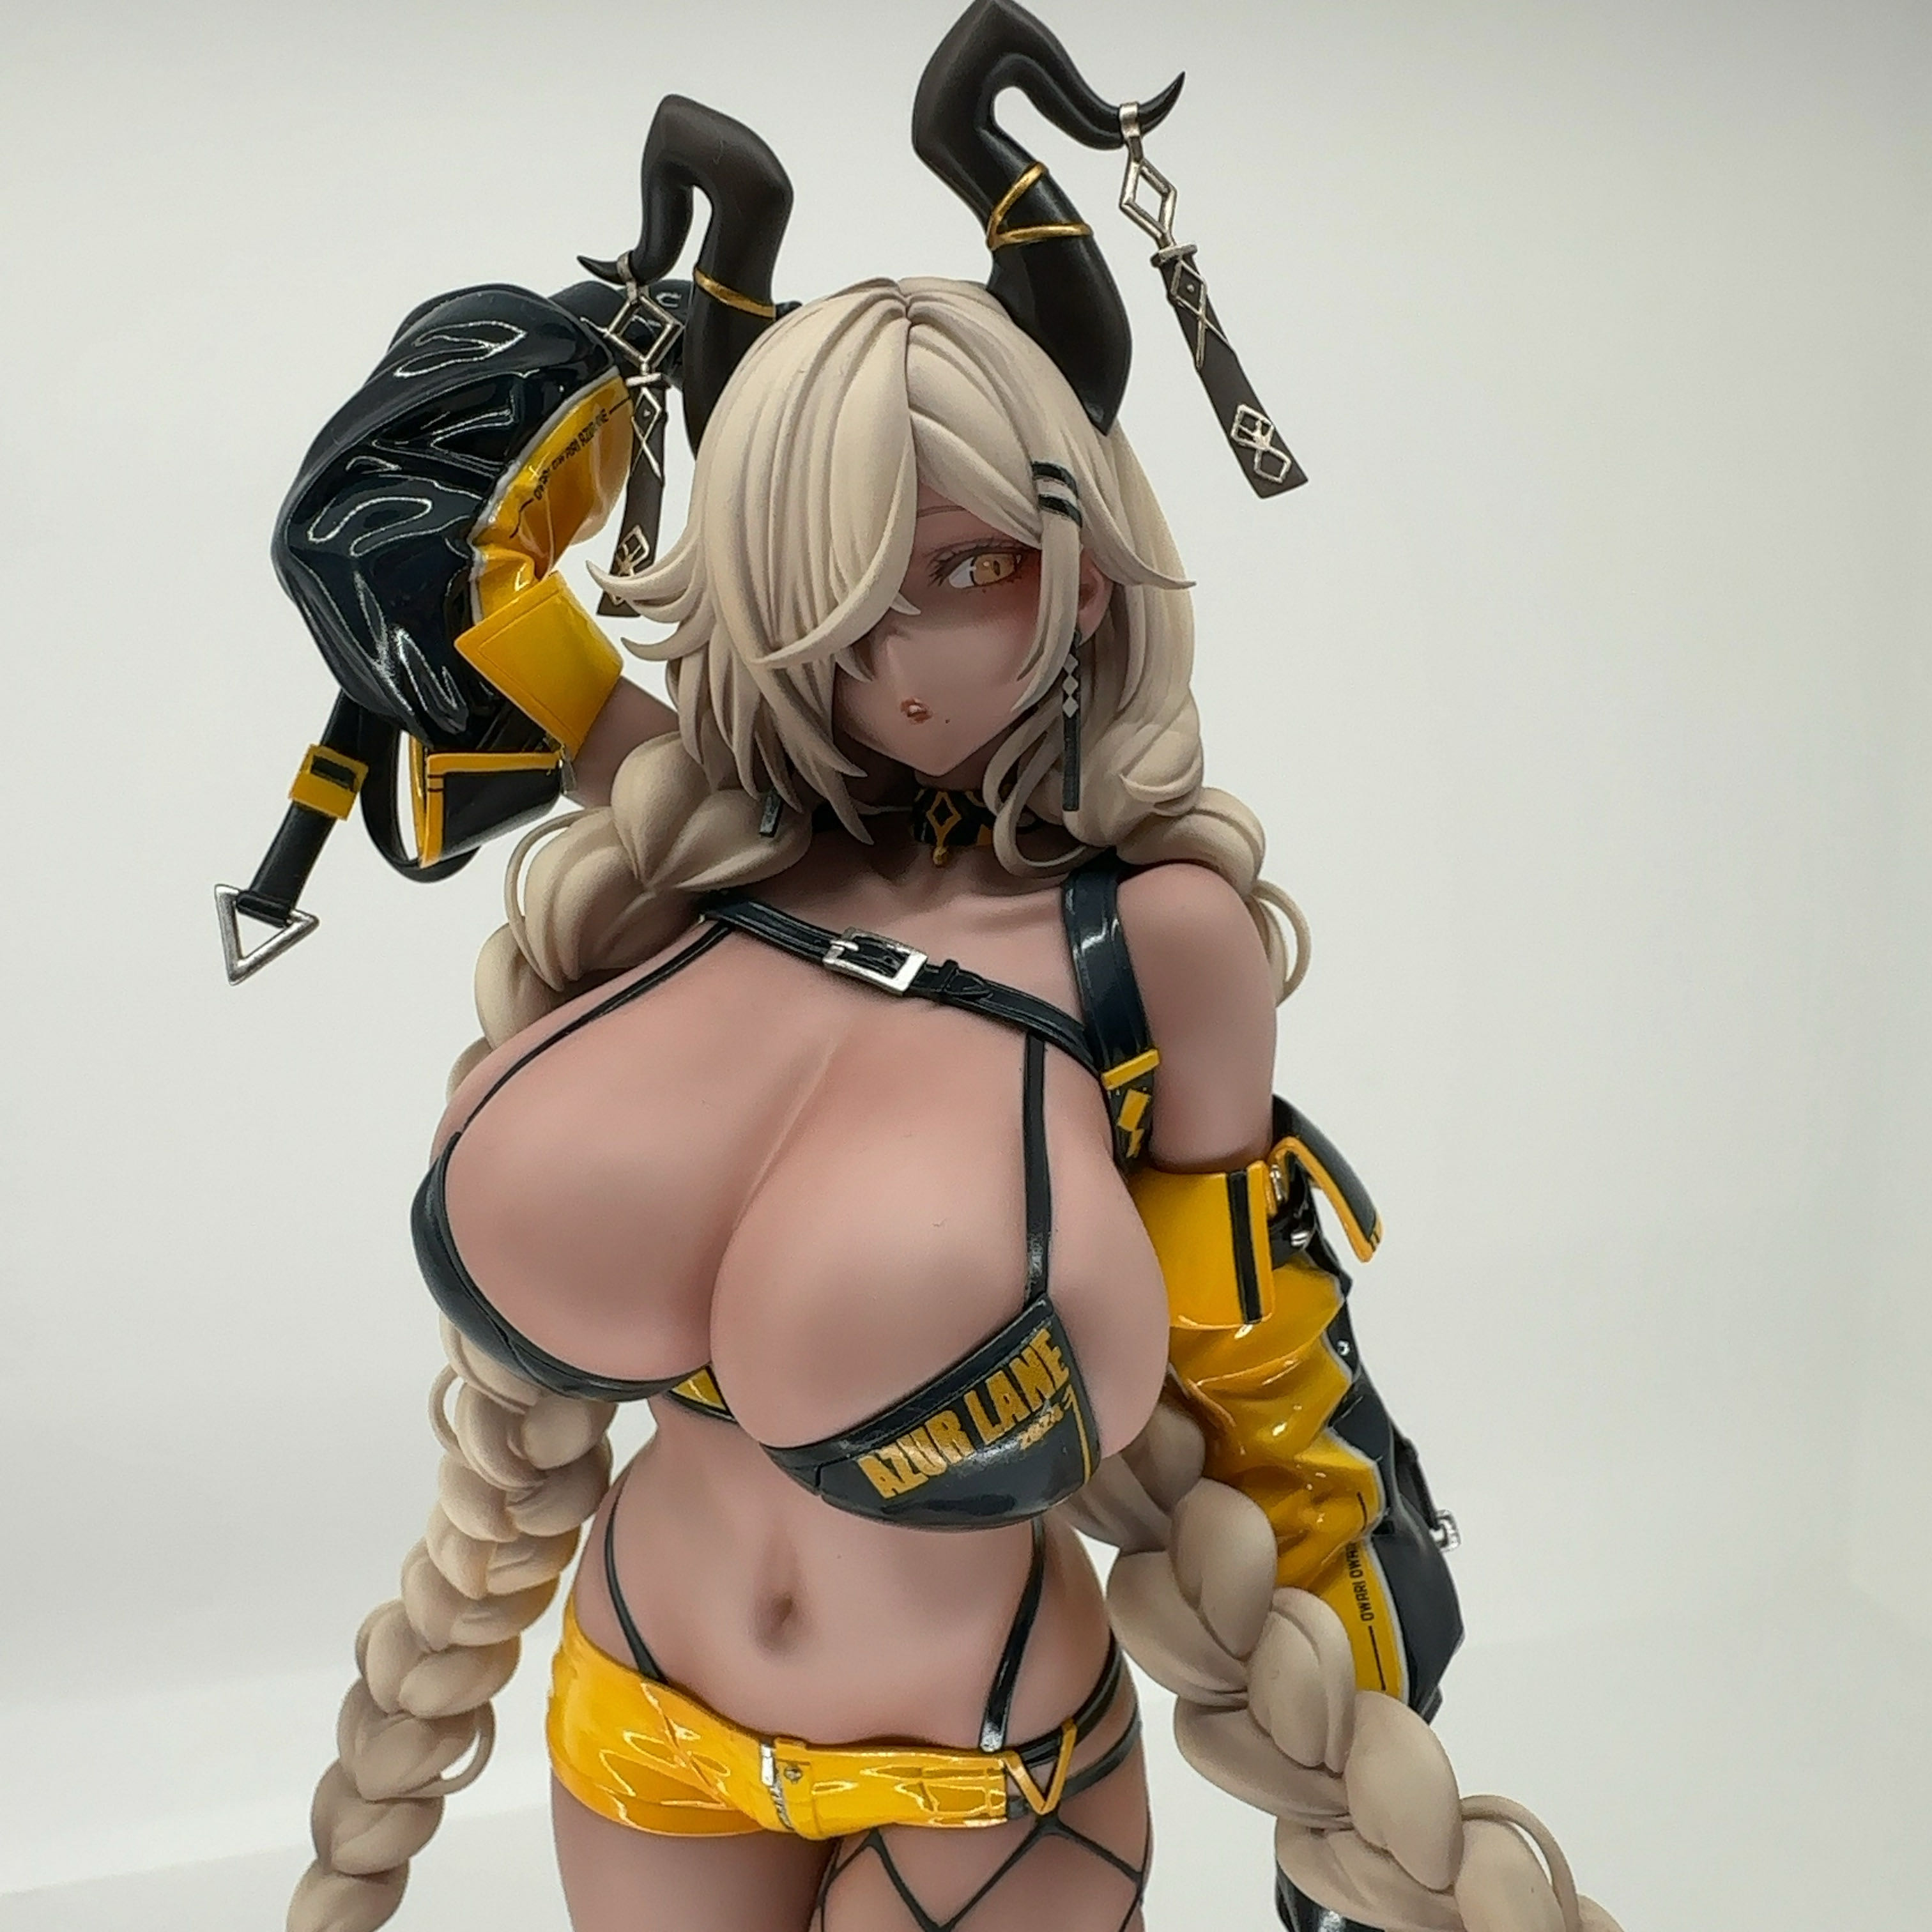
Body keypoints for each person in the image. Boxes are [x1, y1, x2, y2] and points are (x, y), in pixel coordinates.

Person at [240, 8, 1623, 1931]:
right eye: (835, 577)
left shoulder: (1154, 950)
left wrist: (1354, 1704)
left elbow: (1262, 1386)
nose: (895, 652)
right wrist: (608, 326)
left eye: (972, 567)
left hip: (989, 1774)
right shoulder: (691, 847)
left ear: (1087, 571)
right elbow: (421, 557)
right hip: (636, 1728)